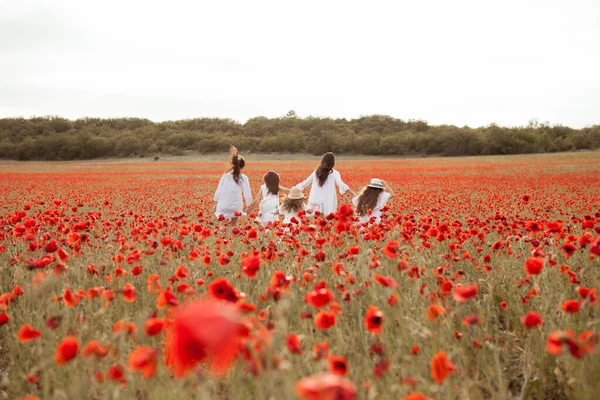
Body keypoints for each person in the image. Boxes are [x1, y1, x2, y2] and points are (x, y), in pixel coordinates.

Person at [213, 146, 252, 226]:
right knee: (234, 226)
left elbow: (219, 191)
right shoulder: (243, 178)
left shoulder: (225, 176)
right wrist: (249, 205)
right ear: (243, 166)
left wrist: (215, 204)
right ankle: (232, 236)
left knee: (223, 227)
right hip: (236, 205)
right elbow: (247, 194)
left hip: (223, 205)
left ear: (233, 165)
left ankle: (223, 237)